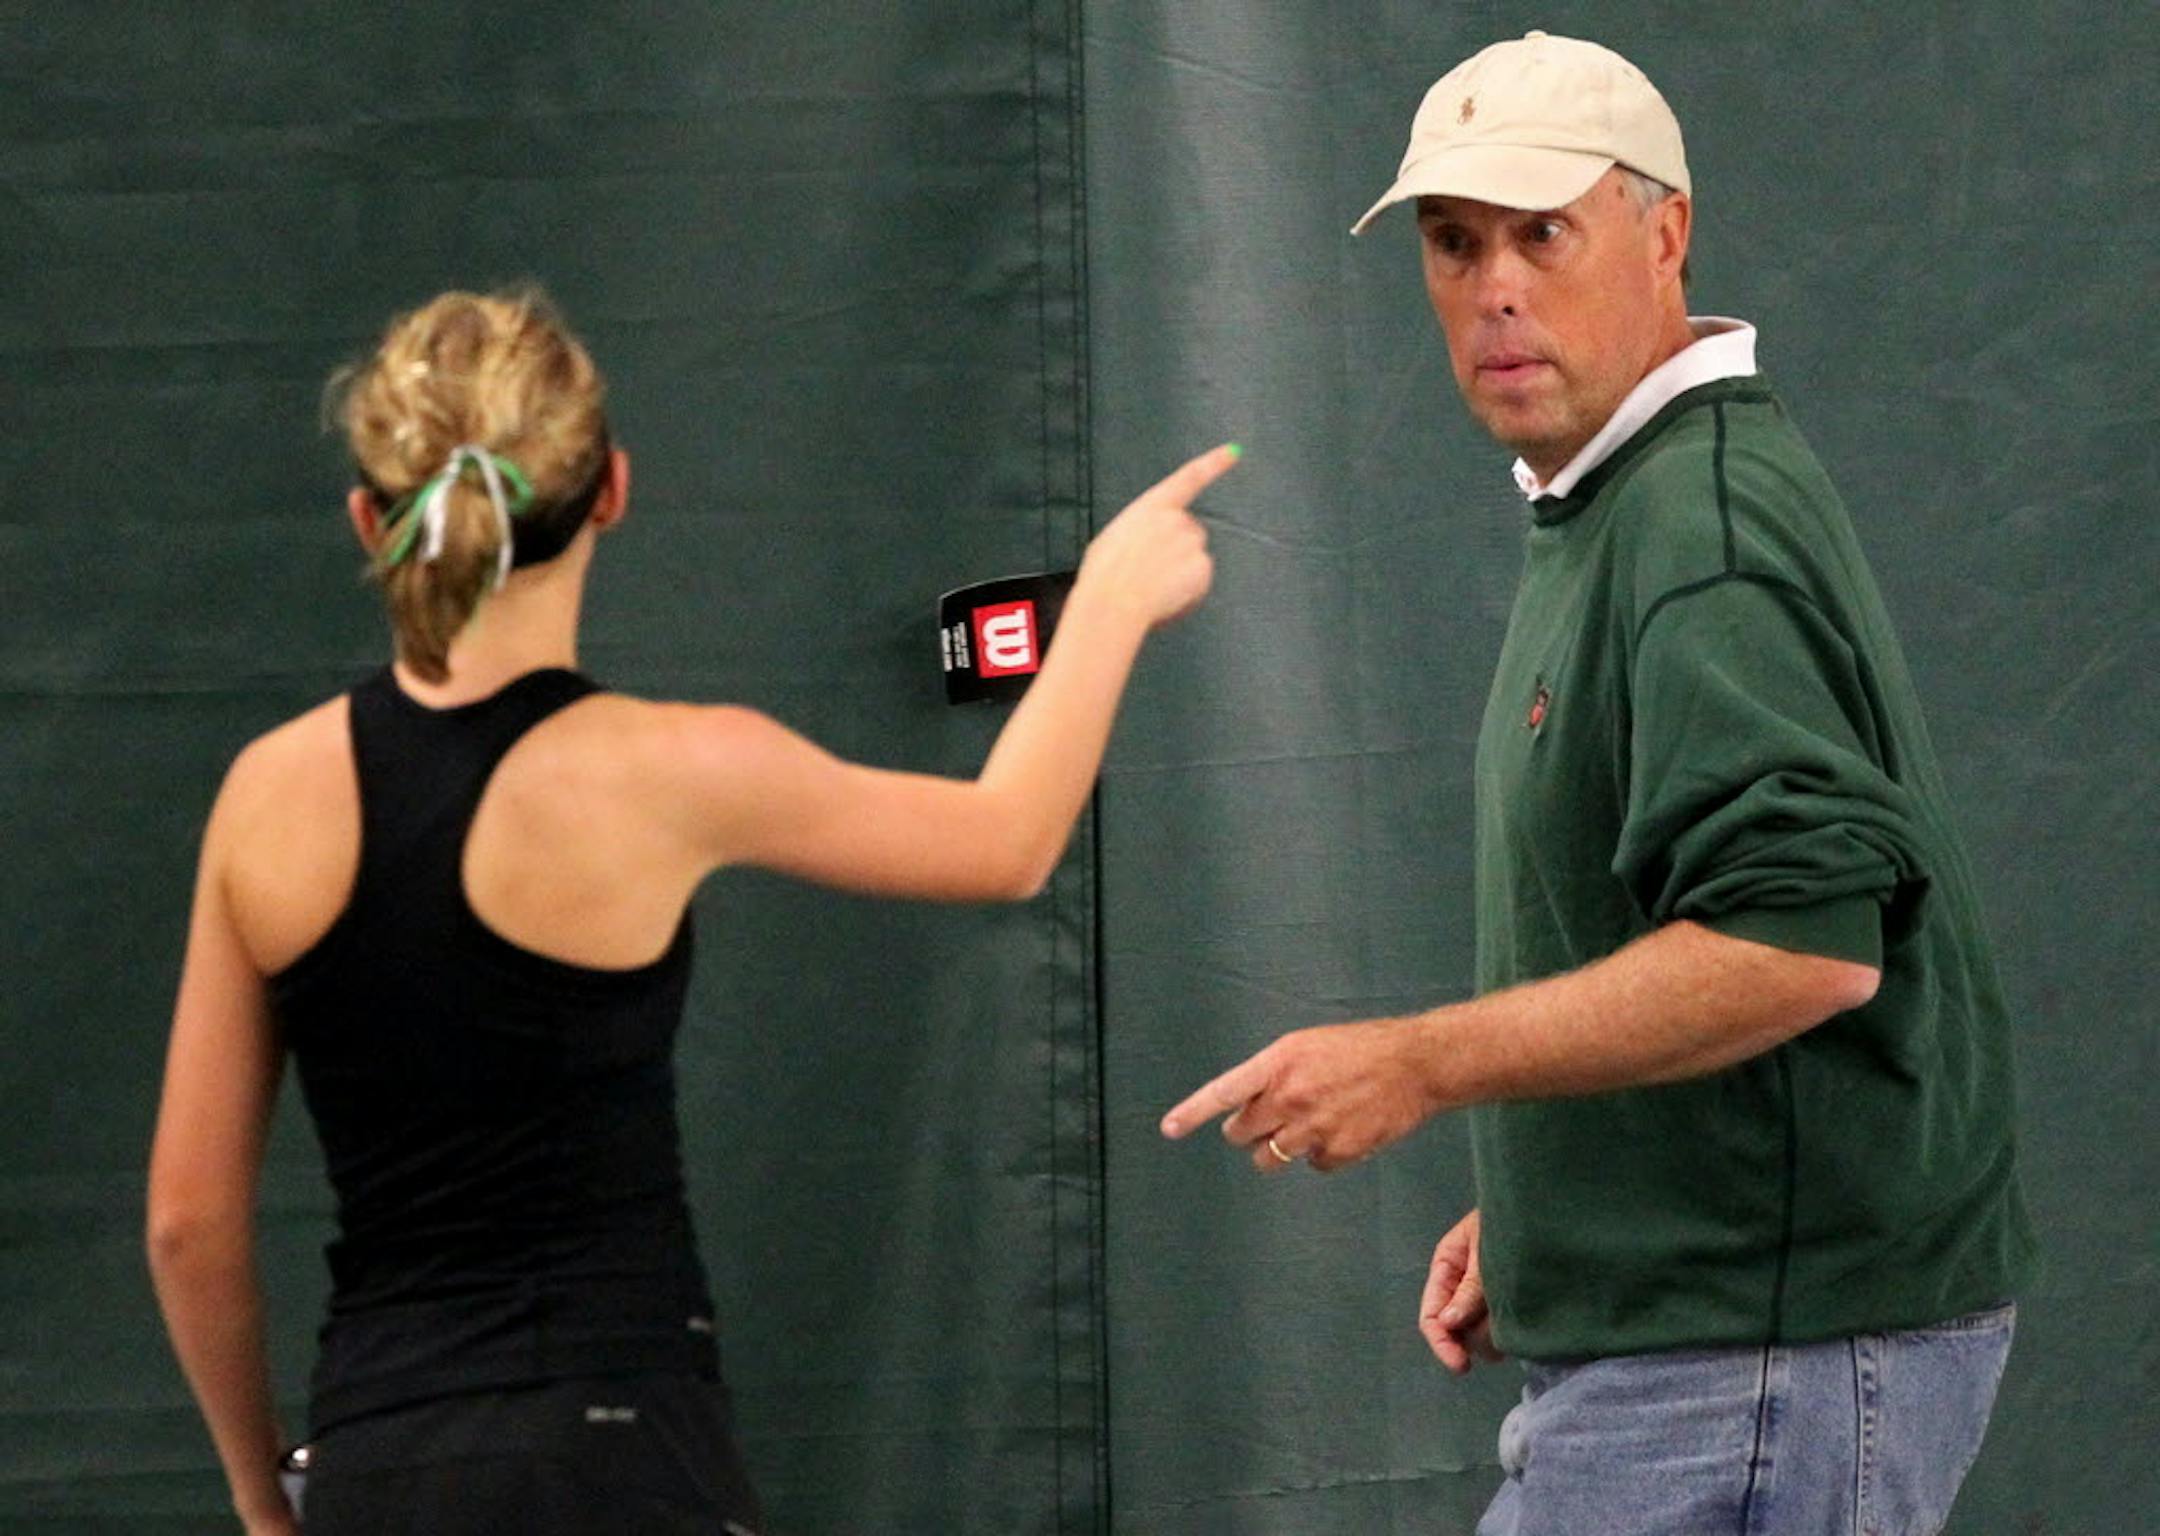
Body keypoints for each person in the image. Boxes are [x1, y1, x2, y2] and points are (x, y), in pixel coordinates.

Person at [146, 287, 1236, 1535]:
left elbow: (189, 1221)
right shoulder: (666, 768)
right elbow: (1006, 841)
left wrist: (261, 1496)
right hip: (618, 1456)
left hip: (377, 1461)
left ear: (367, 515)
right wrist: (1103, 604)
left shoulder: (263, 799)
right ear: (610, 488)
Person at [1161, 31, 2037, 1536]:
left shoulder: (1700, 537)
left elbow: (1800, 945)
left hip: (1764, 1367)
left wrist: (1421, 1062)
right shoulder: (1626, 507)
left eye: (1542, 233)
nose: (1495, 285)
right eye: (1454, 243)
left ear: (1666, 233)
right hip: (1715, 1337)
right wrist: (1574, 1203)